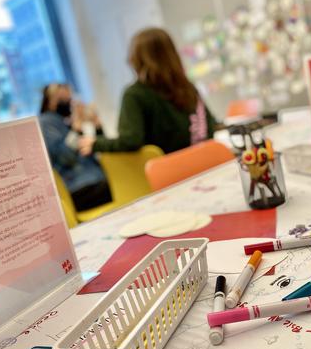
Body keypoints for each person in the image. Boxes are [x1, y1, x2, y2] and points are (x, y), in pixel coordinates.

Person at [77, 27, 217, 156]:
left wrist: (97, 144)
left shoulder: (135, 95)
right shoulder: (187, 87)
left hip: (171, 173)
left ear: (136, 59)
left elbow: (130, 140)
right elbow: (210, 125)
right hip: (205, 161)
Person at [39, 83, 112, 211]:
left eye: (69, 98)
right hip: (78, 187)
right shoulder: (46, 123)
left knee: (122, 180)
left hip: (95, 179)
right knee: (122, 185)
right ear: (49, 101)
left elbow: (97, 149)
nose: (68, 102)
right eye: (63, 99)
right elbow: (67, 157)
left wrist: (97, 125)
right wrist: (76, 128)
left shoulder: (65, 121)